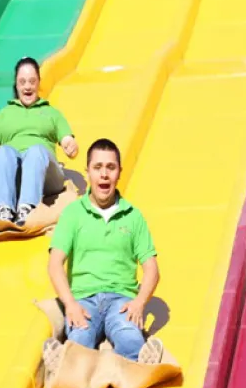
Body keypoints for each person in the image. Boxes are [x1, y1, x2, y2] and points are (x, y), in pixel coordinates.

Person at [46, 138, 163, 364]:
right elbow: (54, 264)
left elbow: (152, 269)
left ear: (119, 172)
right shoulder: (73, 214)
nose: (104, 174)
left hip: (121, 300)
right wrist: (70, 304)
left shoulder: (133, 216)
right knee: (80, 341)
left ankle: (140, 360)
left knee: (129, 338)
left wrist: (139, 303)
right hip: (84, 300)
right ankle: (62, 363)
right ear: (88, 172)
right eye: (97, 167)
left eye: (110, 167)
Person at [0, 57, 78, 225]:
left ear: (38, 83)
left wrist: (70, 146)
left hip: (46, 177)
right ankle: (3, 210)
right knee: (4, 151)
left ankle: (27, 208)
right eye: (22, 82)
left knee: (36, 151)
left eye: (32, 81)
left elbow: (67, 140)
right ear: (16, 84)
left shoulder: (51, 113)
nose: (27, 86)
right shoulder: (3, 114)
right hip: (16, 175)